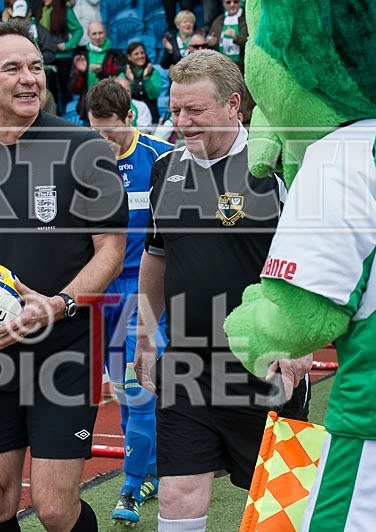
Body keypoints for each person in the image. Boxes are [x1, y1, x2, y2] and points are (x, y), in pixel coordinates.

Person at [0, 21, 128, 532]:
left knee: (54, 507)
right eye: (13, 68)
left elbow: (111, 249)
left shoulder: (85, 148)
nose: (29, 78)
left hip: (65, 352)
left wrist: (58, 303)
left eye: (36, 67)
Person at [133, 50, 311, 532]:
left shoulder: (281, 167)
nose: (183, 123)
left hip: (266, 363)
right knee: (177, 494)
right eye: (175, 111)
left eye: (196, 111)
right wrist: (146, 335)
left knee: (283, 507)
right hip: (188, 367)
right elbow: (157, 255)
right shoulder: (165, 169)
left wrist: (299, 349)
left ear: (234, 105)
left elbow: (316, 266)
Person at [85, 77, 173, 526]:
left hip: (143, 294)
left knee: (140, 390)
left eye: (110, 131)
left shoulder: (158, 157)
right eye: (94, 130)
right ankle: (150, 470)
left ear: (129, 118)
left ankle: (130, 487)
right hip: (100, 294)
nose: (102, 140)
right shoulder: (81, 162)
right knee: (123, 394)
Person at [68, 20, 125, 122]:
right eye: (94, 33)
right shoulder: (81, 56)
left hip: (112, 106)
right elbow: (72, 89)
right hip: (88, 108)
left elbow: (120, 83)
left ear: (105, 32)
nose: (97, 37)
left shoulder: (116, 55)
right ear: (88, 35)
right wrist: (81, 73)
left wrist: (101, 73)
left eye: (100, 33)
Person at [38, 0, 82, 115]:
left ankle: (67, 116)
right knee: (50, 89)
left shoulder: (65, 10)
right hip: (47, 56)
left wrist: (67, 45)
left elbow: (78, 30)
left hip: (63, 57)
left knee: (65, 89)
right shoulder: (40, 11)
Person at [122, 41, 161, 125]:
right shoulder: (123, 74)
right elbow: (124, 96)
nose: (140, 56)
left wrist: (146, 78)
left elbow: (154, 94)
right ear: (129, 57)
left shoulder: (153, 72)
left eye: (142, 53)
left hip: (152, 115)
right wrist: (131, 82)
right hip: (130, 117)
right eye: (136, 54)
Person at [206, 0, 246, 72]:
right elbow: (212, 43)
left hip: (242, 66)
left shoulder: (246, 20)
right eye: (228, 2)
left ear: (240, 2)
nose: (232, 5)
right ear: (223, 4)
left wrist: (236, 37)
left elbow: (250, 44)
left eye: (235, 2)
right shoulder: (217, 21)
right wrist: (211, 43)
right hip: (222, 67)